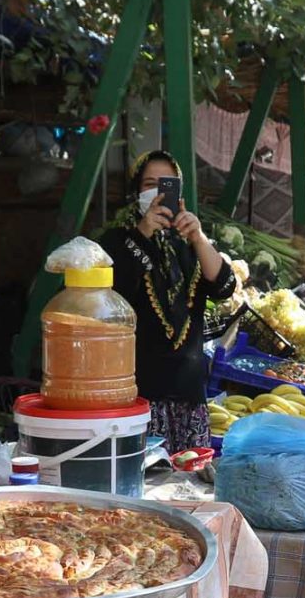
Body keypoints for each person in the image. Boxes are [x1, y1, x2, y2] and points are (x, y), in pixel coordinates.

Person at [98, 150, 238, 452]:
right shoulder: (118, 240)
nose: (159, 193)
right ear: (136, 191)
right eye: (150, 184)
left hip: (188, 395)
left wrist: (199, 238)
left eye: (167, 185)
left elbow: (225, 286)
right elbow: (114, 291)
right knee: (147, 484)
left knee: (187, 484)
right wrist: (145, 231)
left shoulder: (188, 245)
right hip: (138, 395)